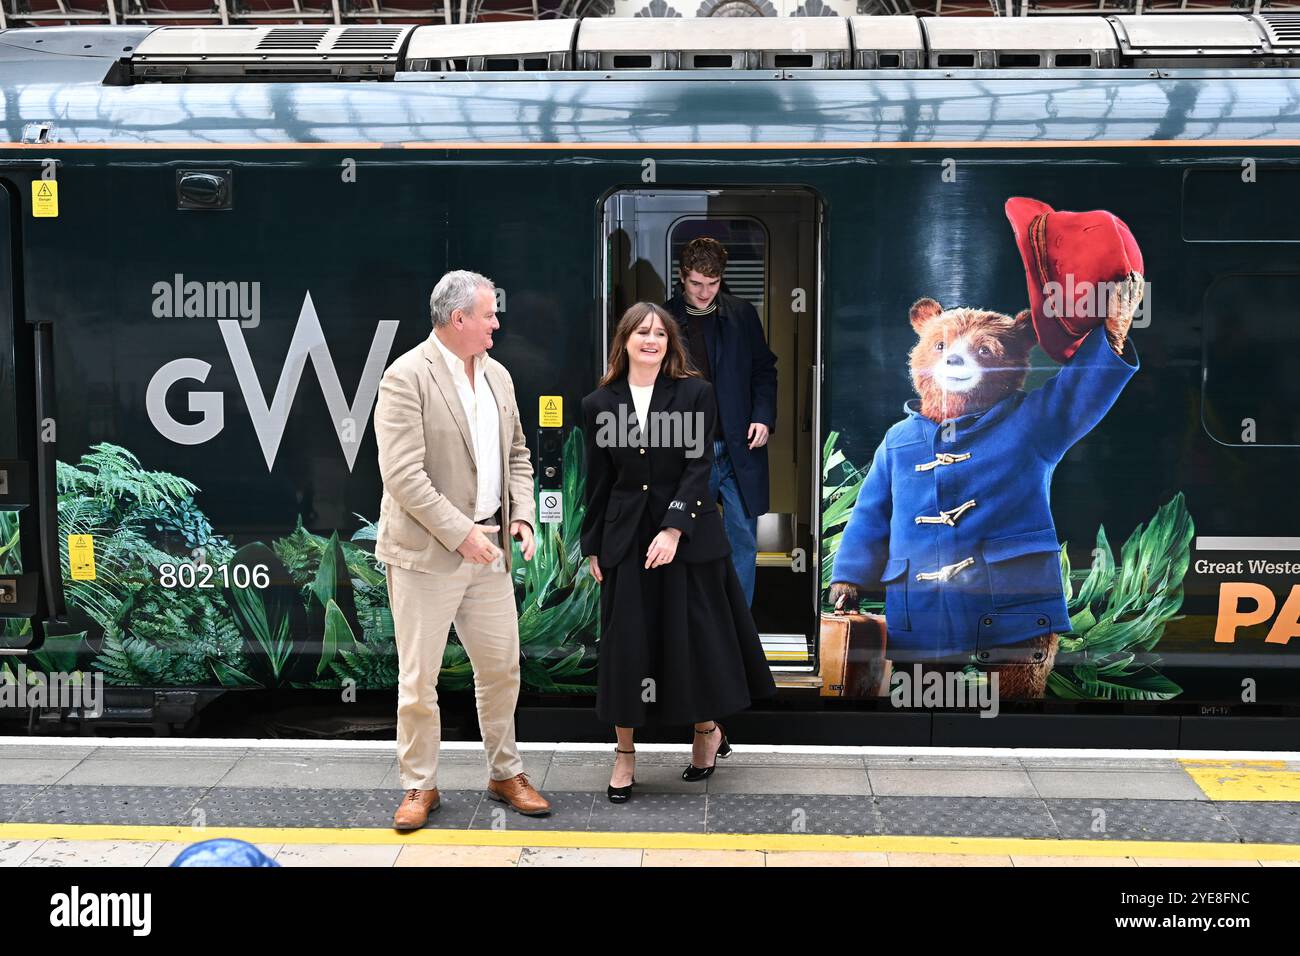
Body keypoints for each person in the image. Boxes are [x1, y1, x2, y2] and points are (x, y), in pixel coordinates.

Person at [374, 269, 549, 830]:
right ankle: (419, 785)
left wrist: (519, 515)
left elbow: (518, 452)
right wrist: (461, 533)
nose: (497, 322)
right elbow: (403, 475)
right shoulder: (406, 377)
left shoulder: (498, 375)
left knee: (501, 668)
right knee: (419, 678)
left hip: (488, 550)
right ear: (459, 320)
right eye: (489, 314)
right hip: (430, 553)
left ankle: (505, 772)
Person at [581, 302, 776, 803]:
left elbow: (697, 469)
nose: (651, 340)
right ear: (624, 340)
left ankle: (706, 732)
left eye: (660, 334)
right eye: (641, 333)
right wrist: (592, 546)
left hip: (687, 539)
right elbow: (598, 483)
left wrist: (671, 530)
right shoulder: (599, 404)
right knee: (628, 647)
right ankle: (625, 755)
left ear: (671, 344)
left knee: (693, 641)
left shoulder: (695, 394)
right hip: (625, 541)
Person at [664, 237, 777, 607]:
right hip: (688, 448)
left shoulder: (741, 313)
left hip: (739, 445)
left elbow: (764, 370)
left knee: (743, 538)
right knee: (686, 535)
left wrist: (763, 417)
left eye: (712, 284)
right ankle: (695, 625)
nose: (704, 292)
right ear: (682, 277)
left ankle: (738, 626)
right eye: (696, 283)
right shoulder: (662, 319)